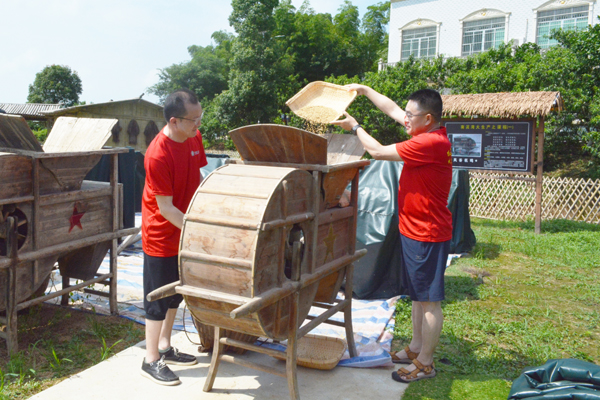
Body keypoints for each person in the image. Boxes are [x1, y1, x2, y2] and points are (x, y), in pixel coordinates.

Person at [331, 86, 452, 383]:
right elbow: (392, 109)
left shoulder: (430, 142)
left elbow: (376, 152)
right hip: (413, 229)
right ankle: (415, 348)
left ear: (427, 118)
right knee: (418, 296)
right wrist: (364, 90)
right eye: (406, 114)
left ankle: (426, 363)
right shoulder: (425, 130)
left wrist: (355, 127)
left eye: (411, 115)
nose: (404, 118)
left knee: (429, 301)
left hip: (427, 233)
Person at [140, 88, 207, 386]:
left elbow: (199, 176)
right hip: (162, 233)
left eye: (200, 116)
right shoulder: (157, 154)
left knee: (175, 294)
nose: (198, 124)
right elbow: (165, 208)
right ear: (174, 121)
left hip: (185, 227)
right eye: (193, 119)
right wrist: (197, 232)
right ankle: (150, 358)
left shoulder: (194, 137)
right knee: (157, 298)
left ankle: (165, 346)